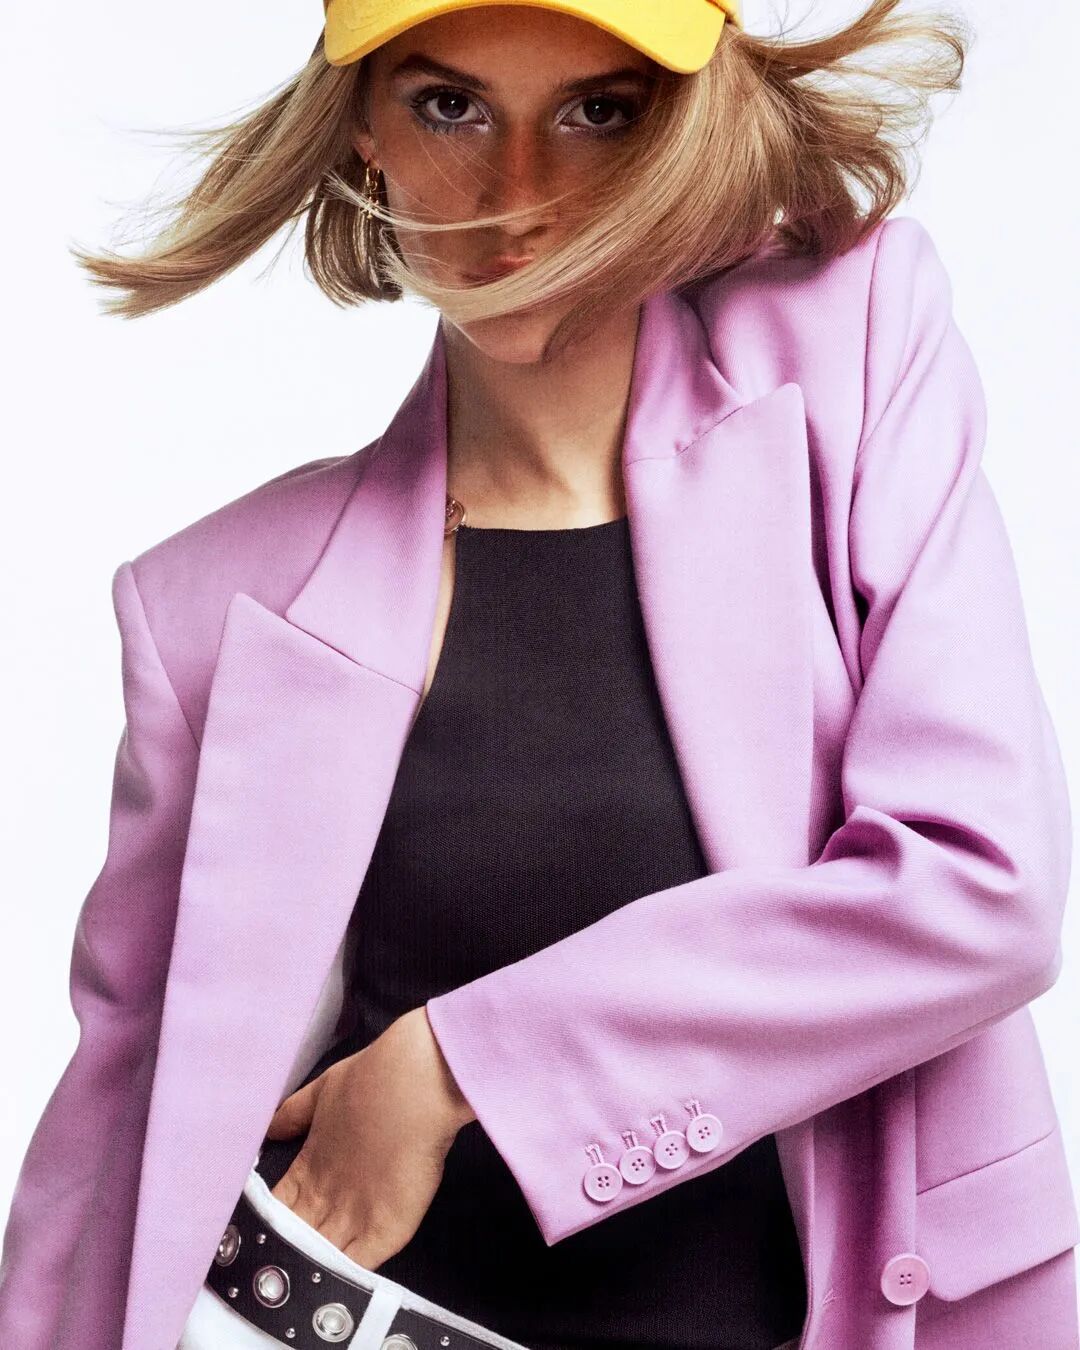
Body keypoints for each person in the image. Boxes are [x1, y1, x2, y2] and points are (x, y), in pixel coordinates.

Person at [1, 1, 1077, 1348]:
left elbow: (983, 887)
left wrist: (460, 1067)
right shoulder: (219, 605)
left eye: (598, 111)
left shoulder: (852, 358)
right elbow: (114, 1147)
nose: (517, 193)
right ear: (364, 126)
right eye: (450, 107)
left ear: (688, 123)